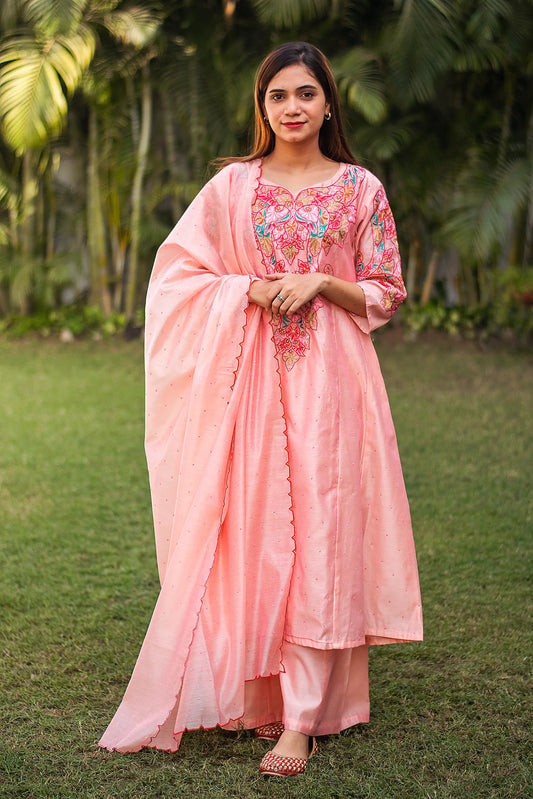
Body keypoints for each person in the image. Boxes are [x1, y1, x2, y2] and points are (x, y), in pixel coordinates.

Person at [99, 41, 423, 778]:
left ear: (328, 103)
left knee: (320, 533)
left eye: (306, 93)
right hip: (246, 382)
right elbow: (178, 274)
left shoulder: (359, 188)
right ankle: (260, 692)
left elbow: (384, 288)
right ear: (263, 107)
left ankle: (303, 719)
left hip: (332, 385)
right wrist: (243, 288)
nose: (293, 107)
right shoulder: (233, 188)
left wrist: (319, 282)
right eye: (278, 96)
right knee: (253, 532)